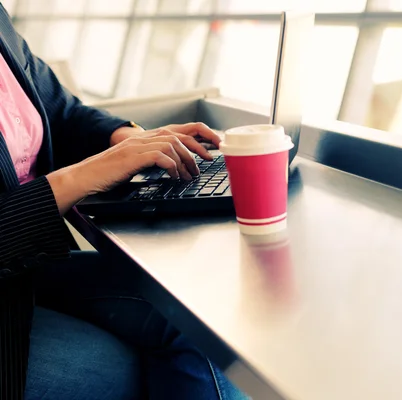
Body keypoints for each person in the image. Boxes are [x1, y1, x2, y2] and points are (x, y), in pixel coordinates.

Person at [0, 3, 246, 399]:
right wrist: (76, 178)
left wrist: (132, 139)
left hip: (28, 274)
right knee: (139, 372)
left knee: (203, 322)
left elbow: (60, 112)